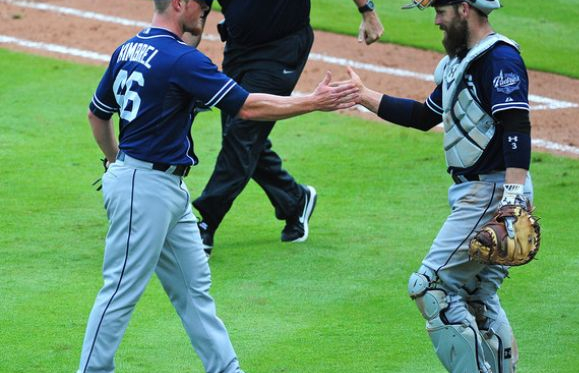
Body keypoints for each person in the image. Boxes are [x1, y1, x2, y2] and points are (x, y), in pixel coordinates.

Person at [77, 0, 357, 372]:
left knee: (195, 291)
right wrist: (311, 101)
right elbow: (247, 107)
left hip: (165, 189)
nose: (207, 10)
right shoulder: (182, 59)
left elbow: (98, 114)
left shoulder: (128, 48)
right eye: (201, 4)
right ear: (179, 4)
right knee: (119, 292)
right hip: (143, 189)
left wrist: (115, 160)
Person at [347, 0, 532, 372]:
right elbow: (423, 115)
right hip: (482, 194)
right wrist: (363, 96)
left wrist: (512, 202)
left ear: (464, 9)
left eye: (441, 12)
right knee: (477, 294)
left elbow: (515, 126)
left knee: (431, 288)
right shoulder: (460, 63)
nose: (435, 21)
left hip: (493, 194)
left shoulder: (499, 60)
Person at [187, 0, 384, 255]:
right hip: (238, 48)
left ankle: (206, 223)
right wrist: (178, 57)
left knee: (242, 134)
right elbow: (196, 15)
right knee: (243, 138)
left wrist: (367, 10)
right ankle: (295, 201)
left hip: (283, 47)